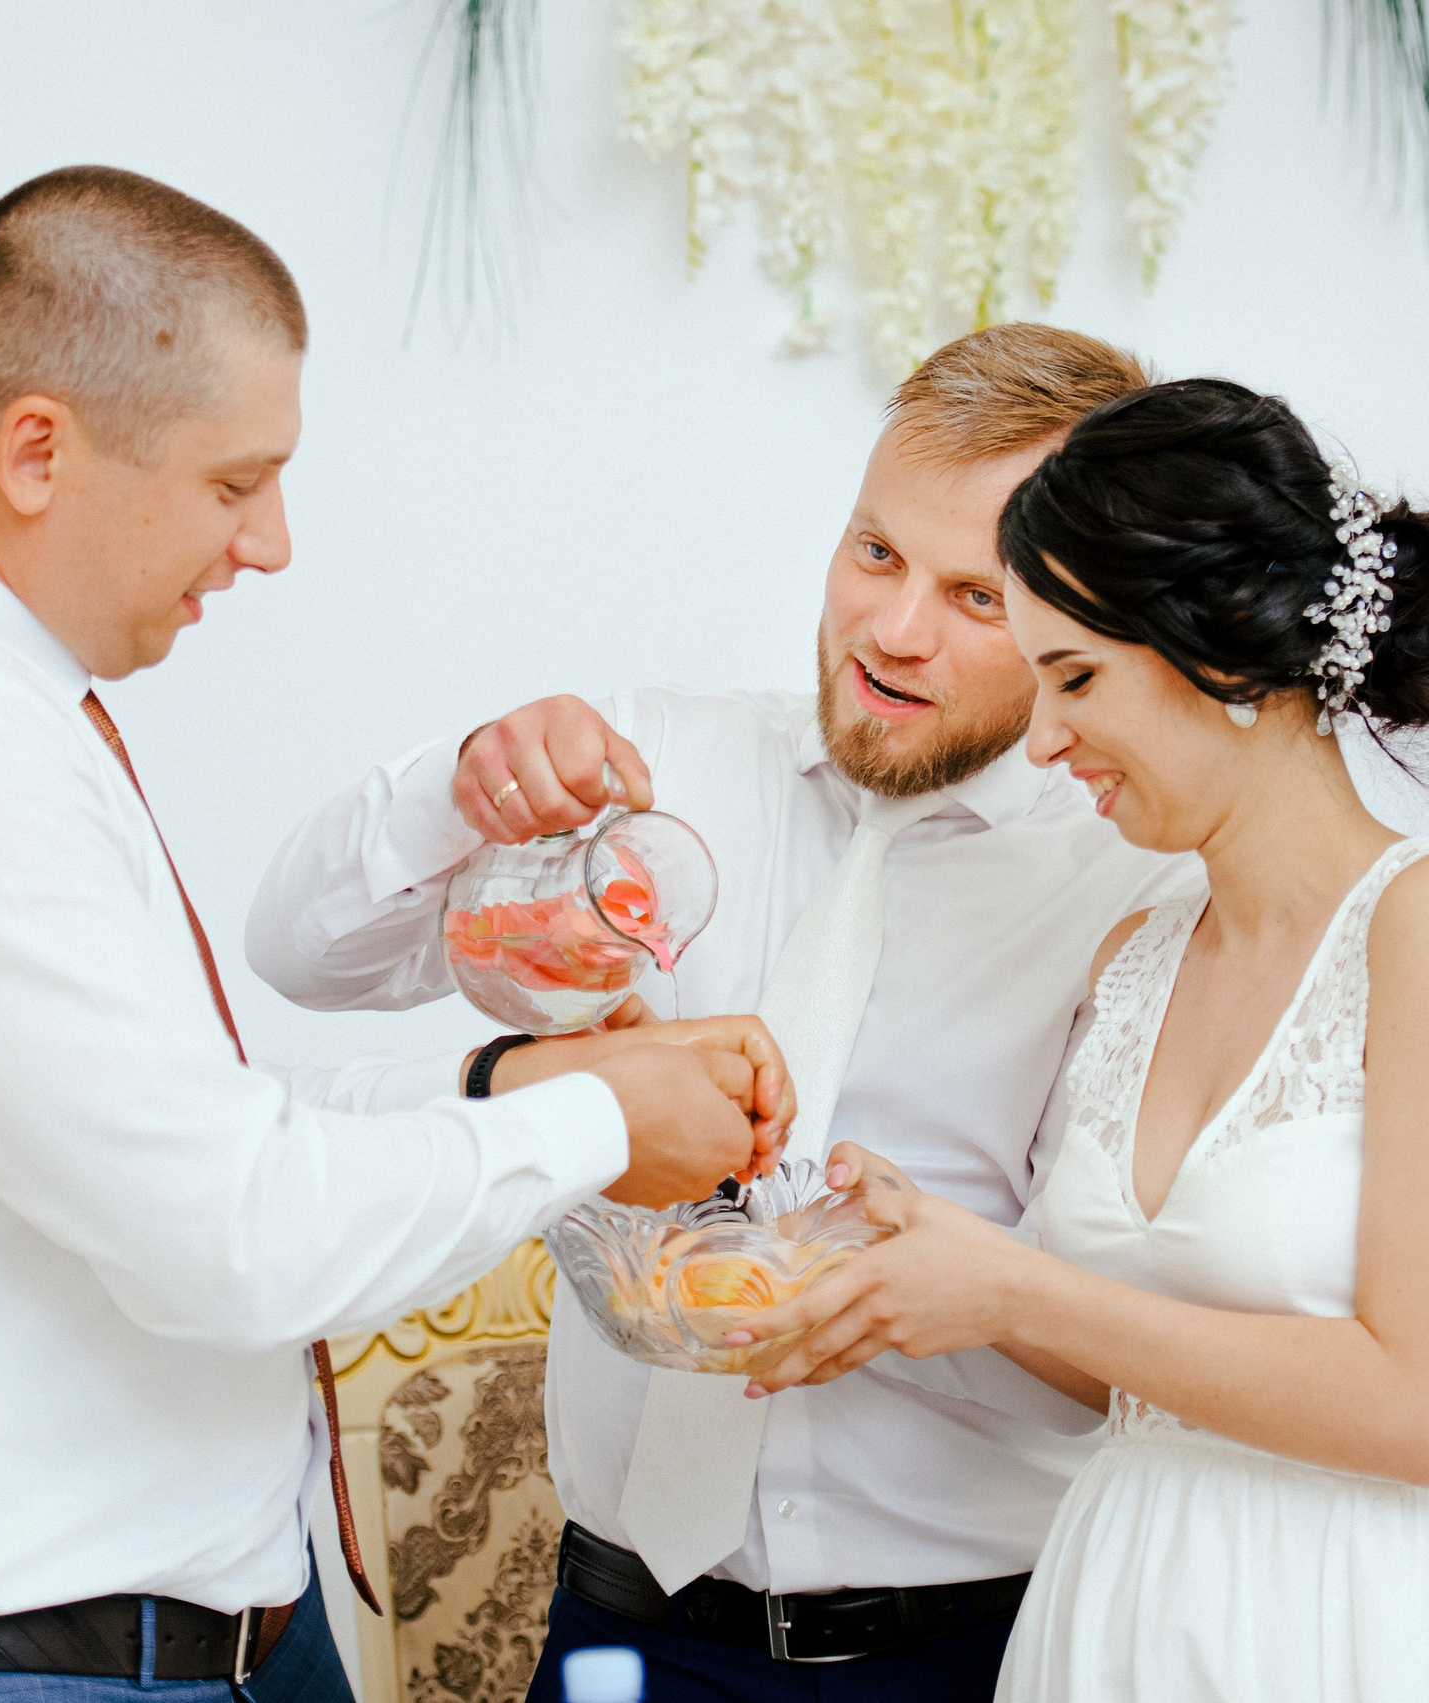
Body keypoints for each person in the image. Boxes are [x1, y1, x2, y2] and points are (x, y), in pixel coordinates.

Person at [0, 166, 784, 1703]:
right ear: (38, 450)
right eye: (236, 482)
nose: (273, 544)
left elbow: (184, 1125)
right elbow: (230, 1233)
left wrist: (503, 1089)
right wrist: (593, 1119)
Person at [247, 325, 1197, 1702]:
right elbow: (299, 952)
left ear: (1088, 626)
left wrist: (919, 1287)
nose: (894, 630)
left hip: (969, 1653)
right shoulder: (656, 766)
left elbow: (1118, 1360)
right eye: (873, 554)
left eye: (974, 598)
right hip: (626, 1633)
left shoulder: (1139, 889)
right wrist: (462, 784)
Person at [734, 378, 1429, 1702]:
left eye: (1074, 676)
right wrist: (947, 1258)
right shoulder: (1138, 957)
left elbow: (1421, 1410)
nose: (1047, 733)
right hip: (1120, 1604)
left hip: (1347, 1624)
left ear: (1228, 658)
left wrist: (1017, 1289)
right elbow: (1120, 1367)